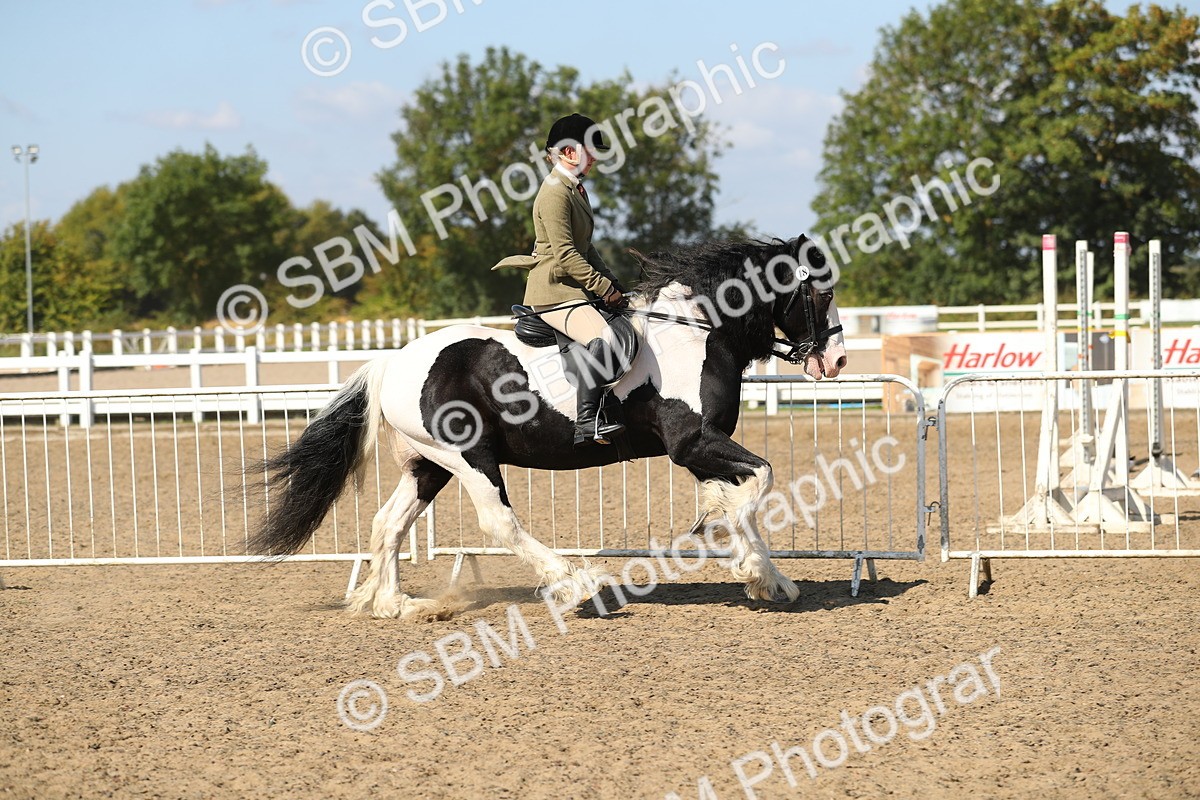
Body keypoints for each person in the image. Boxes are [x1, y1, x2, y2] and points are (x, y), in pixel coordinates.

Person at [493, 113, 631, 446]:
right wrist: (602, 288)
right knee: (602, 337)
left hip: (571, 288)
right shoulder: (555, 192)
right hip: (554, 291)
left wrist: (614, 283)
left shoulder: (574, 189)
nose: (595, 157)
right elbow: (567, 255)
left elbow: (588, 247)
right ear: (569, 152)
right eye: (590, 150)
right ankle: (588, 422)